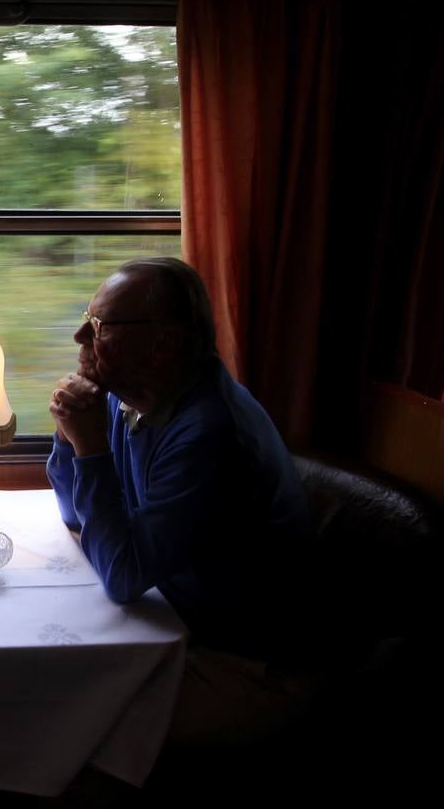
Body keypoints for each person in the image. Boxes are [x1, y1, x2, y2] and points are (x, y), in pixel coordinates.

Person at [46, 257, 315, 745]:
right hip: (176, 622)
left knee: (72, 734)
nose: (80, 338)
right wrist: (70, 437)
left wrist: (89, 450)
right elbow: (76, 517)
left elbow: (123, 577)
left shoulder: (210, 434)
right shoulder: (129, 394)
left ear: (162, 344)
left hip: (244, 660)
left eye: (99, 326)